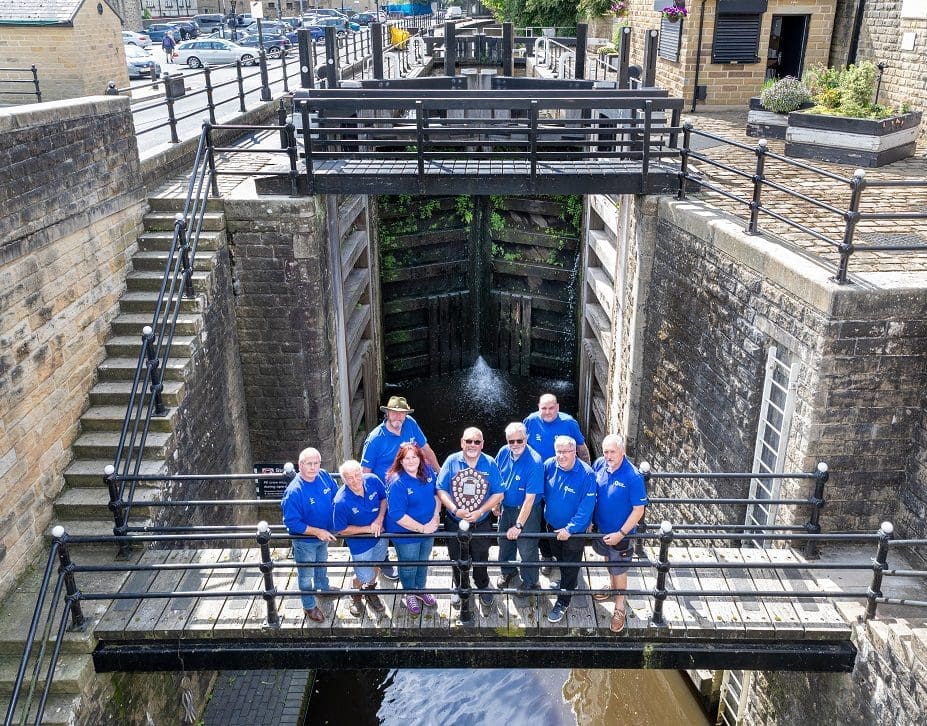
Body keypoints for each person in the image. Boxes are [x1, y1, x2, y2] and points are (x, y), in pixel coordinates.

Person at [361, 395, 440, 580]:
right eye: (394, 413)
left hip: (408, 485)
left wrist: (439, 472)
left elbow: (425, 449)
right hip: (384, 491)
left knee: (408, 517)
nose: (398, 417)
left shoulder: (410, 423)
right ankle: (384, 560)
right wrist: (371, 498)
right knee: (382, 525)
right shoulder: (375, 439)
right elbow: (365, 472)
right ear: (387, 413)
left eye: (402, 413)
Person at [436, 427, 504, 618]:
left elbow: (499, 492)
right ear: (461, 442)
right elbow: (441, 489)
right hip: (454, 521)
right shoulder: (451, 461)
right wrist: (455, 509)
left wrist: (481, 511)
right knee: (456, 556)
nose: (472, 445)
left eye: (476, 442)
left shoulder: (490, 463)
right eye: (468, 441)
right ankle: (459, 586)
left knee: (481, 555)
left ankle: (482, 585)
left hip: (481, 522)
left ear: (482, 444)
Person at [523, 393, 591, 574]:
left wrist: (589, 475)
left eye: (551, 408)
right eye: (543, 408)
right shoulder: (530, 421)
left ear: (558, 407)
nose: (547, 412)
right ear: (538, 408)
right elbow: (522, 446)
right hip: (538, 481)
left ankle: (567, 558)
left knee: (564, 513)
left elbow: (582, 449)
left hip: (563, 478)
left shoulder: (569, 423)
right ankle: (547, 555)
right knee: (539, 520)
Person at [592, 434, 648, 633]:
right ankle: (611, 587)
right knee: (609, 561)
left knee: (620, 568)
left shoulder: (632, 476)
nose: (608, 455)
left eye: (612, 451)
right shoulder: (599, 464)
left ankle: (620, 607)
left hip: (620, 534)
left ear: (622, 451)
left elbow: (638, 510)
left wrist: (621, 533)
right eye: (605, 451)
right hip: (602, 530)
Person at [543, 435, 596, 624]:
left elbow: (586, 507)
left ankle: (563, 601)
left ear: (574, 452)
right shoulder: (549, 465)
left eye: (566, 451)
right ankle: (567, 582)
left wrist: (570, 528)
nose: (562, 455)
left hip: (573, 532)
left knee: (571, 563)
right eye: (559, 451)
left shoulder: (587, 474)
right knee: (560, 559)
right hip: (552, 526)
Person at [280, 447, 338, 623]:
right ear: (300, 465)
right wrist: (317, 532)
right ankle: (309, 605)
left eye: (316, 463)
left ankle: (323, 587)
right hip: (306, 541)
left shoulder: (324, 475)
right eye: (309, 464)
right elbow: (291, 522)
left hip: (325, 536)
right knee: (305, 575)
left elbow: (336, 496)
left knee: (322, 562)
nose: (313, 467)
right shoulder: (294, 492)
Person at [384, 442, 441, 616]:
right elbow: (397, 514)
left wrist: (436, 516)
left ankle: (420, 589)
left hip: (429, 528)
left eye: (414, 457)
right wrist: (422, 528)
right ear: (400, 461)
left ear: (419, 458)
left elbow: (436, 494)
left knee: (423, 561)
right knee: (409, 564)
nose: (411, 461)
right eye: (406, 458)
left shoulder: (428, 471)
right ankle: (409, 592)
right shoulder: (397, 483)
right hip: (406, 533)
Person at [493, 421, 544, 605]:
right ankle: (508, 571)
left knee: (527, 547)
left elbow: (529, 499)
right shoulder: (503, 452)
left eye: (519, 440)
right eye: (511, 441)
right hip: (506, 507)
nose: (515, 444)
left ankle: (531, 582)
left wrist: (519, 525)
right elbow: (498, 479)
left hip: (527, 512)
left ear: (527, 438)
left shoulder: (535, 462)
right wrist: (496, 503)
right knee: (504, 542)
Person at [332, 459, 388, 618]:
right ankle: (355, 593)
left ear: (362, 473)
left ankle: (370, 591)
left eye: (357, 475)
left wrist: (379, 519)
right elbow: (341, 530)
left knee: (377, 563)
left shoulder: (373, 480)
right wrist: (367, 529)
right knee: (364, 575)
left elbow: (384, 499)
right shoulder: (340, 501)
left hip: (379, 537)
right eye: (350, 478)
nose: (355, 480)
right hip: (360, 545)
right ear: (344, 480)